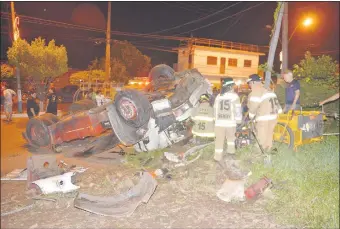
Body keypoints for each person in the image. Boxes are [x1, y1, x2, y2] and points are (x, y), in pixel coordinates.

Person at [247, 74, 282, 152]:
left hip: (264, 117)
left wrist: (251, 116)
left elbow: (253, 106)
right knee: (269, 135)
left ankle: (258, 154)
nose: (249, 85)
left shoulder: (257, 90)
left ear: (253, 82)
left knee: (261, 137)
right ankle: (268, 151)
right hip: (274, 116)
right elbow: (278, 105)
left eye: (249, 83)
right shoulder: (268, 89)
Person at [213, 78, 242, 161]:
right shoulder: (234, 96)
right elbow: (238, 110)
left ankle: (217, 157)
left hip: (219, 123)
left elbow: (215, 110)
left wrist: (216, 120)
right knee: (231, 139)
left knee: (219, 140)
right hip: (230, 123)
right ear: (230, 87)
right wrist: (239, 121)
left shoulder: (218, 96)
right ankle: (231, 154)